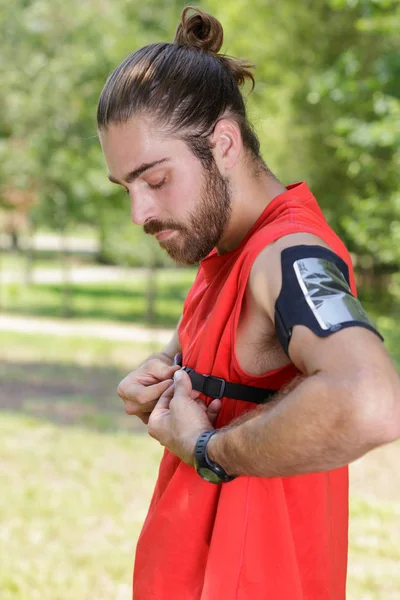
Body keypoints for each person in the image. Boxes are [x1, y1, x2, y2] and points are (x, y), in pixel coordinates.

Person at [97, 7, 400, 599]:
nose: (140, 214)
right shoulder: (224, 248)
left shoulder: (288, 253)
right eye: (126, 189)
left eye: (155, 180)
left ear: (225, 144)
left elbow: (371, 400)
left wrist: (209, 450)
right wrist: (163, 381)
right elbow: (227, 363)